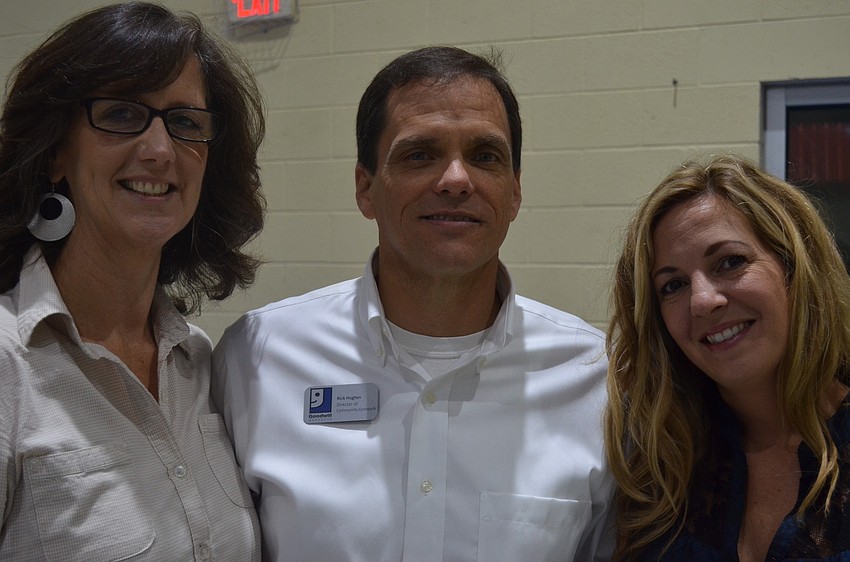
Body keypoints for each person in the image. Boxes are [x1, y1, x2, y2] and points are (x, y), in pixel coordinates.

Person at [212, 45, 614, 561]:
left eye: (485, 156)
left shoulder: (594, 376)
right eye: (420, 154)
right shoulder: (257, 357)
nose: (456, 180)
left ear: (514, 192)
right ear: (366, 188)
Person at [0, 2, 265, 560]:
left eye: (185, 122)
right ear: (55, 151)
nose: (160, 150)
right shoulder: (8, 366)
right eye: (122, 114)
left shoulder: (198, 362)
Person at [604, 155, 850, 561]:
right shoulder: (660, 462)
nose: (702, 301)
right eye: (673, 285)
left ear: (795, 267)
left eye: (730, 262)